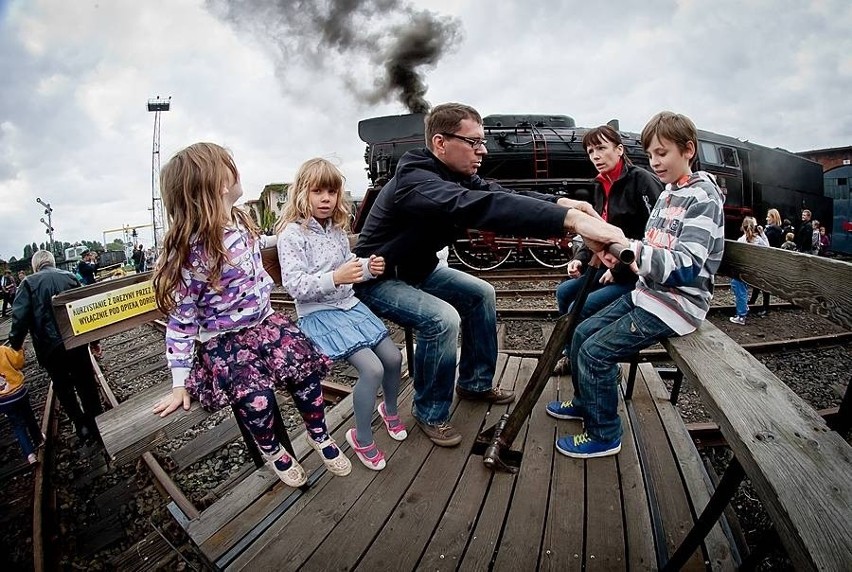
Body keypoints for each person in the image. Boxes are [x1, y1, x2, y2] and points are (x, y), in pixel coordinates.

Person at [352, 102, 627, 447]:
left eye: (482, 141)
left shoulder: (457, 175)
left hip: (416, 270)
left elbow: (499, 194)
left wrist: (563, 204)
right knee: (442, 320)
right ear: (440, 143)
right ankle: (430, 411)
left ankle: (474, 383)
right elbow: (477, 206)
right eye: (473, 142)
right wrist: (572, 224)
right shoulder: (416, 180)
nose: (482, 150)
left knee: (481, 293)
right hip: (378, 278)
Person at [151, 142, 351, 488]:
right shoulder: (192, 253)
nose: (236, 169)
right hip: (225, 340)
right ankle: (273, 450)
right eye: (228, 166)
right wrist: (179, 381)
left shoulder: (241, 219)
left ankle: (319, 434)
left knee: (305, 374)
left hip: (265, 324)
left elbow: (255, 248)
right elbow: (182, 321)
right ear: (216, 185)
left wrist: (292, 237)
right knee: (256, 399)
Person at [547, 111, 725, 457]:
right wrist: (617, 256)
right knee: (581, 332)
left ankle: (604, 434)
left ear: (688, 150)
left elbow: (687, 266)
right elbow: (652, 244)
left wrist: (630, 252)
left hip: (676, 305)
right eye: (651, 154)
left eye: (663, 153)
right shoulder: (670, 193)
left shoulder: (702, 198)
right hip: (649, 293)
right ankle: (587, 403)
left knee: (596, 352)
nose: (655, 162)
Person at [277, 158, 405, 471]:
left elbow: (349, 264)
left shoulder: (335, 230)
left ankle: (389, 410)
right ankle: (361, 437)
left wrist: (368, 268)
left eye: (332, 192)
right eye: (317, 191)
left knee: (392, 358)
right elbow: (295, 286)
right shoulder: (292, 236)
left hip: (349, 306)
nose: (325, 198)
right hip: (320, 314)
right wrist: (336, 277)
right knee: (372, 370)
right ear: (301, 193)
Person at [552, 125, 662, 376]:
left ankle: (598, 362)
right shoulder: (601, 186)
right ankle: (571, 355)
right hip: (607, 268)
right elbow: (596, 231)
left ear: (620, 150)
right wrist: (580, 258)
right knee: (564, 292)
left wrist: (621, 267)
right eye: (591, 151)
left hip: (637, 275)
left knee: (578, 308)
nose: (595, 156)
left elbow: (656, 234)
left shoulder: (642, 181)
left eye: (601, 148)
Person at [8, 250, 104, 443]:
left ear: (36, 266)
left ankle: (81, 425)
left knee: (63, 388)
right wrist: (94, 341)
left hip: (49, 347)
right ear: (52, 262)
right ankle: (98, 424)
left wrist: (15, 345)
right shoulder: (69, 277)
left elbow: (19, 319)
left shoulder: (28, 283)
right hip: (75, 342)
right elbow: (86, 311)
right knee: (86, 383)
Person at [0, 346, 45, 464]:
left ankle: (30, 454)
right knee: (29, 417)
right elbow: (18, 363)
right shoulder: (3, 350)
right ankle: (38, 439)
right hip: (19, 394)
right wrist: (20, 349)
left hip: (4, 401)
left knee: (17, 426)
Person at [729, 217, 768, 325]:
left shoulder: (741, 239)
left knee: (739, 289)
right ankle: (743, 308)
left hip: (742, 270)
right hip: (752, 269)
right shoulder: (758, 239)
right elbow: (768, 248)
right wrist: (762, 234)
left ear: (743, 227)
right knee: (738, 288)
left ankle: (741, 315)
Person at [748, 208, 783, 316]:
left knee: (764, 283)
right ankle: (753, 301)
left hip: (769, 259)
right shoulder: (771, 229)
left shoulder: (774, 230)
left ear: (773, 218)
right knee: (758, 281)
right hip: (766, 259)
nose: (766, 218)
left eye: (768, 216)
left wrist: (762, 234)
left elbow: (767, 245)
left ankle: (765, 307)